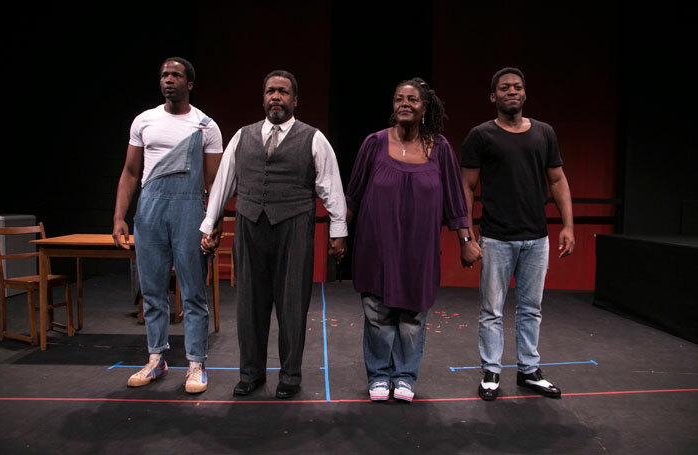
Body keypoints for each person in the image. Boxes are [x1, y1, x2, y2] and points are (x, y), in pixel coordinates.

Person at [200, 70, 347, 399]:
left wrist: (338, 231)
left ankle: (290, 376)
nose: (275, 97)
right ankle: (251, 373)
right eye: (270, 91)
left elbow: (331, 187)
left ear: (295, 100)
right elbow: (224, 182)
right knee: (249, 303)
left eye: (282, 92)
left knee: (292, 304)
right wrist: (210, 225)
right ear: (263, 97)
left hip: (294, 226)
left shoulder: (313, 138)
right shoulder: (243, 136)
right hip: (250, 225)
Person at [346, 78, 481, 402]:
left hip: (418, 249)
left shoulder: (441, 148)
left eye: (412, 99)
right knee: (377, 313)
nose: (405, 103)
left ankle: (405, 376)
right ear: (393, 106)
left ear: (425, 108)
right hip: (377, 246)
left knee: (413, 316)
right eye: (399, 99)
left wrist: (466, 239)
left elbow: (454, 200)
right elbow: (352, 195)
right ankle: (379, 375)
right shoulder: (374, 143)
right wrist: (337, 234)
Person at [461, 67, 575, 401]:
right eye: (505, 87)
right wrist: (466, 235)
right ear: (493, 96)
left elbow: (557, 180)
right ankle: (491, 371)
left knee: (531, 308)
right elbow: (466, 187)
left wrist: (568, 224)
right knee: (492, 310)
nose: (512, 91)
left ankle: (528, 370)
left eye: (518, 86)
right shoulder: (481, 136)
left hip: (536, 237)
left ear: (525, 94)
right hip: (496, 237)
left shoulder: (544, 133)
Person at [112, 57, 223, 394]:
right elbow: (131, 173)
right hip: (149, 211)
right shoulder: (144, 121)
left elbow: (217, 181)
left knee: (192, 292)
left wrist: (214, 223)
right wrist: (119, 216)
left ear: (189, 83)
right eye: (164, 74)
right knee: (153, 292)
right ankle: (156, 358)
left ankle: (195, 364)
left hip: (190, 209)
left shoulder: (206, 125)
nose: (168, 79)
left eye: (175, 75)